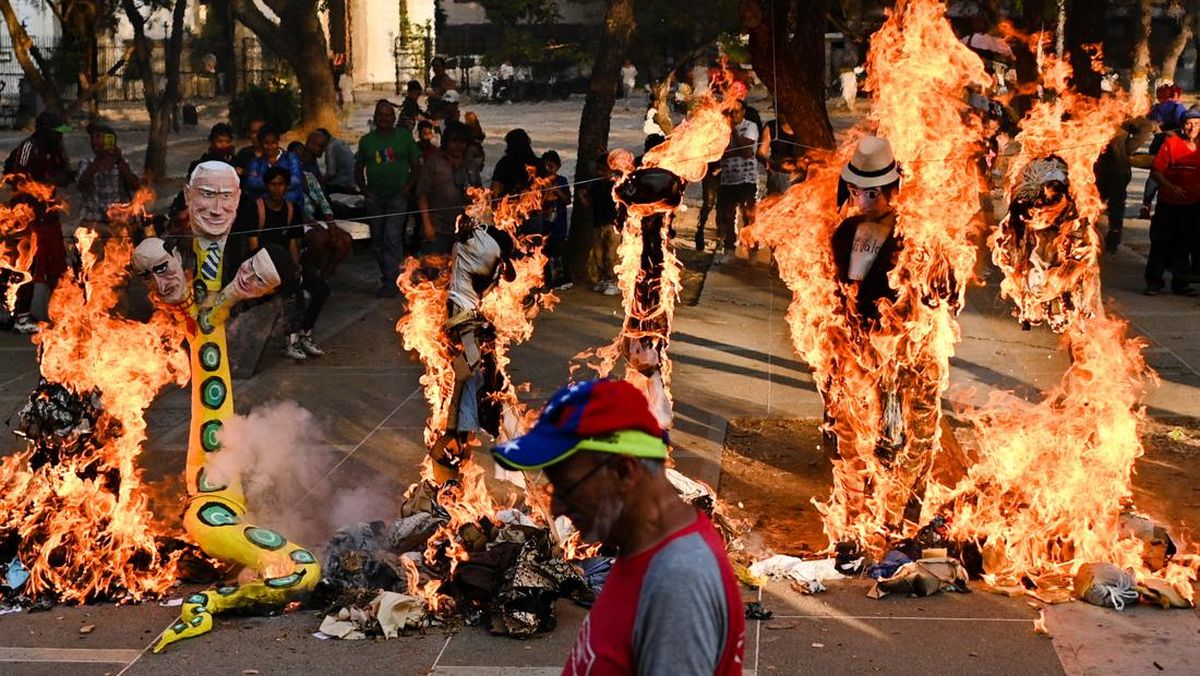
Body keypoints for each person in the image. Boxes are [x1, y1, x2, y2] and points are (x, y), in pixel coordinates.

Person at [491, 379, 745, 676]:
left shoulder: (678, 583)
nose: (558, 507)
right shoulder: (645, 546)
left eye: (568, 487)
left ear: (624, 472)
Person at [244, 166, 329, 360]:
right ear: (267, 186)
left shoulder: (292, 210)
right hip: (263, 268)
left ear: (286, 186)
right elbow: (253, 244)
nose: (277, 189)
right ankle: (289, 341)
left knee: (321, 289)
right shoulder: (256, 208)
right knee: (294, 294)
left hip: (286, 265)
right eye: (273, 184)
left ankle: (305, 333)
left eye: (281, 184)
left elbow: (293, 241)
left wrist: (295, 266)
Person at [3, 111, 73, 334]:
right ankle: (20, 317)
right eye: (57, 132)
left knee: (57, 267)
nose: (60, 137)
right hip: (28, 220)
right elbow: (19, 179)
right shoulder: (28, 147)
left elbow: (66, 174)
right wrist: (48, 183)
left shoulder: (55, 150)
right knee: (28, 267)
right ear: (44, 130)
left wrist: (61, 178)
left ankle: (63, 313)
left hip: (49, 217)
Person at [356, 99, 420, 297]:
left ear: (394, 118)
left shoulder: (405, 138)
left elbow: (416, 166)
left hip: (397, 197)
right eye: (380, 115)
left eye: (387, 115)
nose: (384, 119)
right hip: (375, 197)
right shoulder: (366, 141)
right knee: (378, 239)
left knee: (392, 237)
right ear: (375, 118)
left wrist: (407, 189)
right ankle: (387, 275)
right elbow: (358, 169)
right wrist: (365, 191)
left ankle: (391, 281)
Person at [1144, 108, 1200, 296]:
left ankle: (1181, 284)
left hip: (1192, 205)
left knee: (1184, 245)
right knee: (1161, 243)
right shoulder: (1171, 144)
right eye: (1189, 123)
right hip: (1168, 204)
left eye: (1197, 124)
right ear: (1182, 126)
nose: (1193, 127)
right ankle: (1154, 283)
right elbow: (1156, 172)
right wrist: (1170, 186)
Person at [416, 121, 482, 259]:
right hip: (438, 228)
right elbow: (422, 195)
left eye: (462, 142)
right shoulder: (433, 162)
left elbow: (479, 195)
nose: (459, 146)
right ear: (446, 142)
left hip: (464, 229)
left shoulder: (471, 164)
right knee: (436, 272)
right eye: (454, 141)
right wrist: (427, 225)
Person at [291, 136, 353, 278]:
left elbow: (323, 202)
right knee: (319, 240)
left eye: (302, 157)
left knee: (345, 240)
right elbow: (292, 211)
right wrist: (315, 225)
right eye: (296, 159)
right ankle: (304, 272)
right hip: (295, 223)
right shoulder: (284, 180)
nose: (299, 161)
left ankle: (323, 277)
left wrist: (332, 226)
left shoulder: (309, 177)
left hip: (312, 220)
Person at [715, 100, 758, 264]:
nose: (734, 115)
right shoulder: (722, 129)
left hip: (746, 180)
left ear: (743, 112)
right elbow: (719, 153)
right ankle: (729, 250)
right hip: (727, 180)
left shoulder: (751, 127)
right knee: (727, 217)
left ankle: (752, 250)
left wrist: (733, 132)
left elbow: (747, 151)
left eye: (737, 112)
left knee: (749, 217)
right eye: (731, 113)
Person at [76, 123, 140, 234]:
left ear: (110, 140)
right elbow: (82, 185)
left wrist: (119, 160)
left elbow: (135, 185)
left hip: (118, 224)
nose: (93, 141)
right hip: (93, 224)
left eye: (98, 137)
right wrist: (98, 160)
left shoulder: (122, 164)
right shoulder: (86, 163)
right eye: (92, 137)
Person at [1141, 84, 1187, 218]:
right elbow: (1182, 123)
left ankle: (1146, 204)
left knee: (1154, 174)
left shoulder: (1156, 108)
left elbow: (1148, 122)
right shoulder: (1177, 107)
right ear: (1175, 95)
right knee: (1173, 174)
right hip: (1172, 144)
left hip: (1157, 143)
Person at [579, 152, 621, 296]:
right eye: (599, 170)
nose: (600, 173)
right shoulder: (596, 185)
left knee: (611, 254)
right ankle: (603, 278)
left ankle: (614, 281)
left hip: (613, 224)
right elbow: (589, 203)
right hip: (598, 223)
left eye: (603, 170)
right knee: (598, 254)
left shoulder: (618, 184)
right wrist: (582, 196)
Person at [242, 127, 304, 205]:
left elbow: (296, 180)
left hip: (290, 203)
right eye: (266, 143)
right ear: (260, 144)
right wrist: (280, 185)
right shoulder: (256, 162)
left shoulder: (290, 157)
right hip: (265, 207)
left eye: (273, 143)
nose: (270, 147)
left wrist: (268, 185)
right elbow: (251, 182)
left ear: (278, 142)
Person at [540, 150, 572, 289]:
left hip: (559, 225)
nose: (548, 168)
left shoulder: (562, 180)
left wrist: (557, 190)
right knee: (544, 254)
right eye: (546, 165)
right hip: (544, 225)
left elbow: (567, 200)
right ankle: (547, 280)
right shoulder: (539, 182)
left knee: (558, 253)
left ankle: (561, 280)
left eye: (551, 165)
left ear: (557, 166)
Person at [758, 115, 802, 195]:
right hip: (778, 174)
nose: (780, 114)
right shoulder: (771, 126)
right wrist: (767, 161)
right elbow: (761, 152)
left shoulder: (802, 125)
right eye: (777, 111)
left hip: (799, 174)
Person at [320, 128, 359, 195]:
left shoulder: (330, 147)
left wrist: (321, 181)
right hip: (353, 181)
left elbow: (331, 172)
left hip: (342, 183)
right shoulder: (341, 142)